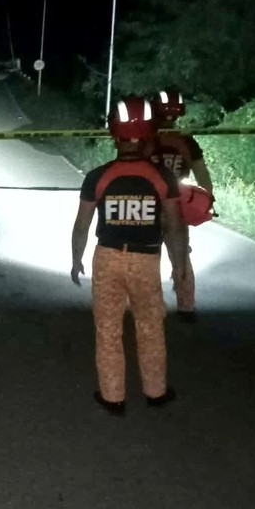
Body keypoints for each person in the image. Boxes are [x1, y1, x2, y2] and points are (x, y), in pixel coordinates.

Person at [70, 96, 188, 415]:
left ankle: (113, 398)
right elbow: (175, 226)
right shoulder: (162, 177)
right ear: (150, 132)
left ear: (113, 134)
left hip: (107, 259)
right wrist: (180, 267)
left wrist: (76, 259)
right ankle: (156, 393)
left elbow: (82, 225)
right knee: (150, 327)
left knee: (108, 330)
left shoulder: (98, 176)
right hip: (146, 260)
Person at [148, 89, 214, 322]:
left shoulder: (145, 139)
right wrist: (207, 200)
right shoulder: (187, 141)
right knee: (181, 256)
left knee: (149, 255)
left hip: (151, 206)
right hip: (178, 206)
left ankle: (151, 304)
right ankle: (187, 305)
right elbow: (203, 176)